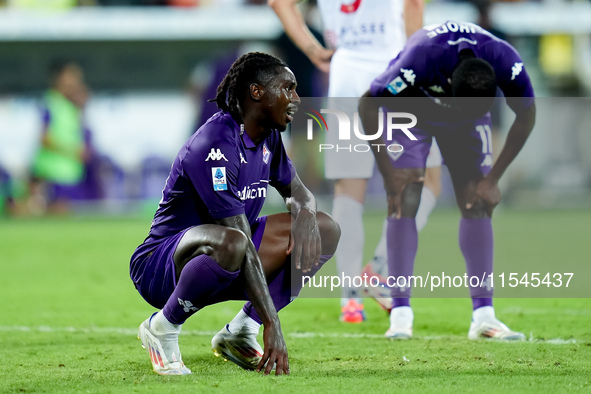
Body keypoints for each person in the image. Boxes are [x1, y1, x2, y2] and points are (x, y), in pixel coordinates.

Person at [130, 52, 340, 376]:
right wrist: (274, 322)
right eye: (288, 88)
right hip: (162, 266)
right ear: (257, 92)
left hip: (227, 257)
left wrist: (307, 215)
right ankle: (163, 327)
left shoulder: (269, 136)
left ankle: (240, 331)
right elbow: (239, 238)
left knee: (326, 229)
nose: (297, 99)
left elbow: (298, 193)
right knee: (234, 241)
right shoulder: (215, 144)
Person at [358, 21, 536, 340]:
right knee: (405, 195)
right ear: (451, 80)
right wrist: (388, 172)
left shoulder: (506, 62)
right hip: (411, 107)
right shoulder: (419, 59)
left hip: (464, 122)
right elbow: (367, 102)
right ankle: (400, 314)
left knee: (477, 200)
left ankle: (484, 316)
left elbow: (526, 115)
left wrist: (493, 179)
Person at [269, 0, 442, 322]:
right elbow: (414, 5)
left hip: (346, 70)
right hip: (395, 68)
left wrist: (312, 48)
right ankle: (380, 269)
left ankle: (349, 298)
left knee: (349, 189)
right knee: (425, 179)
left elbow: (279, 3)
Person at [29, 60, 95, 215]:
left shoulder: (71, 106)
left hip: (70, 173)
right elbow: (44, 138)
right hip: (53, 173)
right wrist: (73, 151)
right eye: (71, 77)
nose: (75, 82)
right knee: (55, 215)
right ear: (59, 78)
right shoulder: (51, 102)